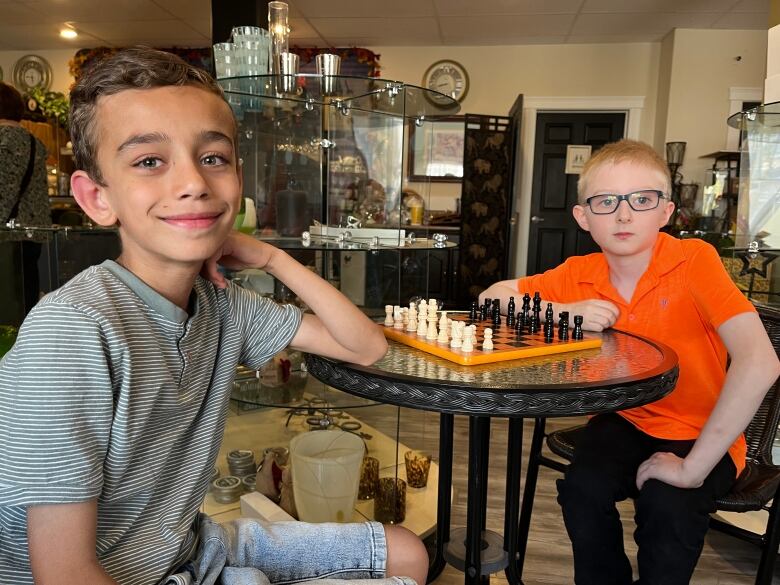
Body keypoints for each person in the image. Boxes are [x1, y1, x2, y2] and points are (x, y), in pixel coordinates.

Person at [0, 48, 428, 585]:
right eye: (149, 161)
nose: (194, 183)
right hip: (125, 572)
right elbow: (63, 573)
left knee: (407, 551)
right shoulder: (69, 334)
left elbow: (364, 345)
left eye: (213, 157)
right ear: (96, 197)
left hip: (188, 548)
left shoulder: (224, 306)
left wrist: (273, 257)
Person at [482, 139, 780, 585]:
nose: (624, 215)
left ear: (666, 212)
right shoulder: (577, 273)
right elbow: (492, 299)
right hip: (625, 421)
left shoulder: (693, 261)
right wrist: (568, 314)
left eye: (641, 200)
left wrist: (692, 467)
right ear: (584, 218)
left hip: (702, 430)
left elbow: (761, 363)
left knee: (668, 505)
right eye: (606, 201)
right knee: (582, 491)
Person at [0, 81, 52, 316]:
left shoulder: (5, 140)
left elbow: (4, 190)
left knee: (10, 306)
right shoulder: (28, 140)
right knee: (24, 298)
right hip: (29, 233)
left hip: (9, 236)